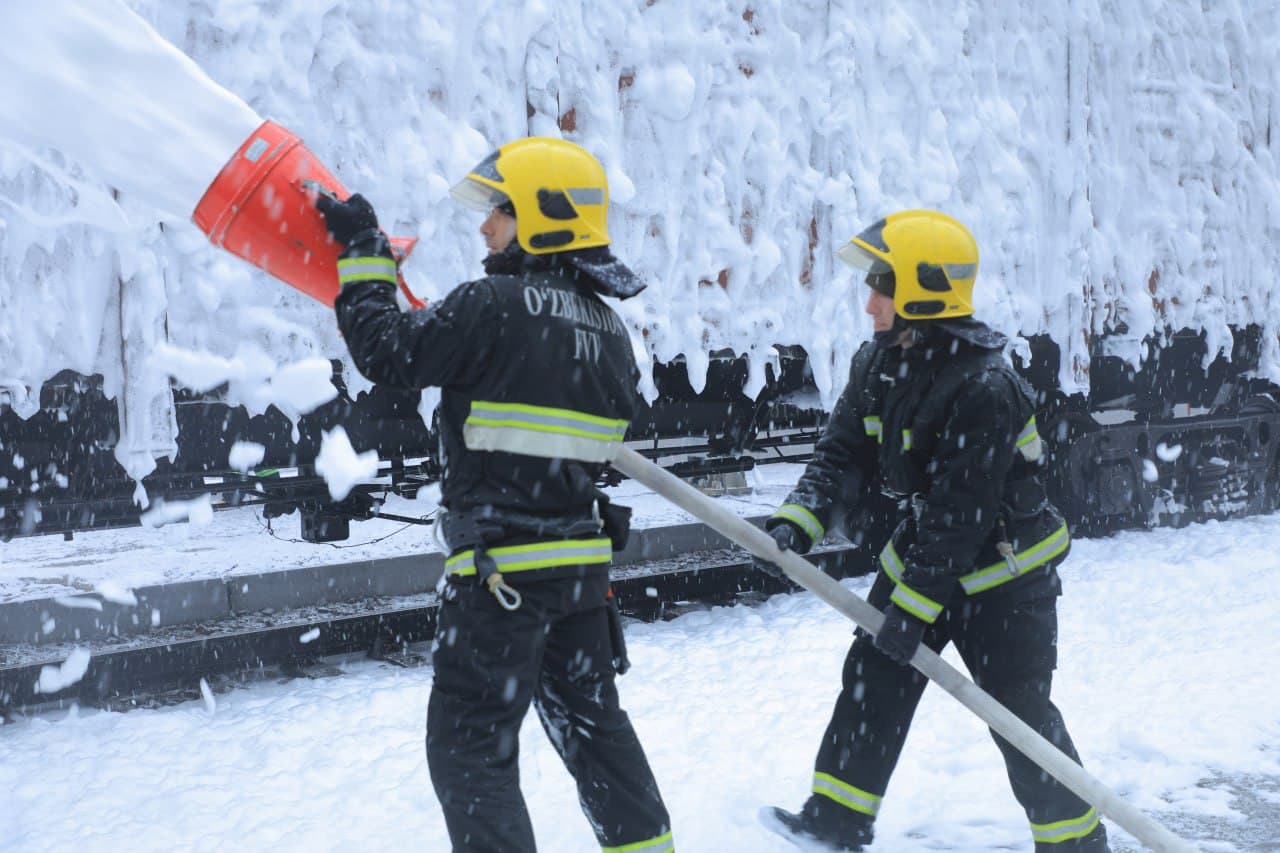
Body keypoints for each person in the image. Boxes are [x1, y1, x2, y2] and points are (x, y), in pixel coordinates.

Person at [315, 137, 673, 853]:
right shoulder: (610, 330)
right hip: (580, 575)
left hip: (499, 577)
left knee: (470, 748)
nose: (486, 228)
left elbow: (388, 353)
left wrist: (363, 256)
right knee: (595, 731)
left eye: (500, 212)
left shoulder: (491, 305)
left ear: (542, 217)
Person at [756, 210, 1110, 852]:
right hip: (926, 552)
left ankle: (1077, 845)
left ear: (923, 290)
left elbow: (961, 518)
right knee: (872, 680)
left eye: (882, 287)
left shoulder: (985, 386)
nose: (869, 304)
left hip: (1005, 574)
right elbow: (839, 456)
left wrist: (911, 612)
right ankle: (837, 821)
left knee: (1018, 718)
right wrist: (794, 524)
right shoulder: (879, 364)